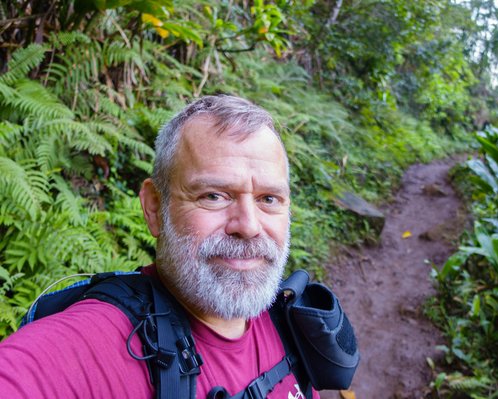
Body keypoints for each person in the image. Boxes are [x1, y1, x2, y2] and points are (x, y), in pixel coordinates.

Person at [0, 95, 321, 398]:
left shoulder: (286, 322)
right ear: (154, 207)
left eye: (269, 199)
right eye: (213, 195)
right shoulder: (92, 345)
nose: (249, 226)